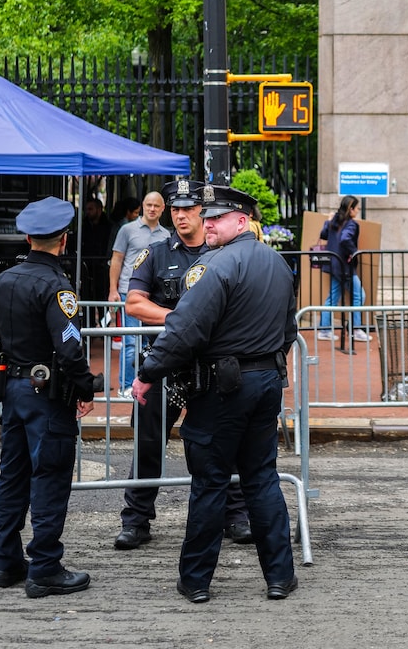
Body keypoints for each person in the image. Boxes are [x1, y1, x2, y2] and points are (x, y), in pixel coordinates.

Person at [133, 184, 299, 604]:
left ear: (242, 221)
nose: (208, 224)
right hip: (265, 383)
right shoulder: (278, 264)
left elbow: (184, 330)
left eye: (217, 218)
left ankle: (196, 581)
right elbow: (288, 332)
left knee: (209, 483)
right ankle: (279, 576)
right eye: (207, 218)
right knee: (262, 478)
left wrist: (148, 373)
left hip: (223, 387)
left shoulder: (215, 265)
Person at [115, 179, 251, 551]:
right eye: (176, 209)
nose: (181, 216)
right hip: (165, 365)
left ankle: (235, 515)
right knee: (147, 445)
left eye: (189, 209)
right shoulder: (155, 254)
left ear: (202, 213)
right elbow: (135, 304)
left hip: (210, 368)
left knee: (224, 443)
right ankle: (136, 520)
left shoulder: (221, 252)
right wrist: (179, 318)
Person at [0, 196, 101, 599]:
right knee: (50, 477)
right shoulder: (57, 287)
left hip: (13, 391)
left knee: (13, 475)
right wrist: (86, 387)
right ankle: (46, 568)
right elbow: (69, 349)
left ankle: (7, 561)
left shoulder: (4, 280)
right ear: (64, 240)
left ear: (30, 236)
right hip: (47, 395)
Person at [109, 191, 169, 395]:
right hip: (130, 292)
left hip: (155, 296)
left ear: (162, 209)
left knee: (151, 342)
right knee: (131, 342)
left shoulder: (166, 235)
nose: (152, 209)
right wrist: (113, 289)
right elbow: (117, 259)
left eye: (156, 206)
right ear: (143, 206)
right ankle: (126, 386)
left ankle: (146, 385)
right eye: (148, 205)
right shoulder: (127, 230)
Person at [316, 195, 369, 350]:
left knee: (332, 297)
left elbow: (324, 234)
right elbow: (345, 239)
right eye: (357, 208)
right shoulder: (351, 224)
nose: (358, 211)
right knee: (359, 295)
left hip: (333, 264)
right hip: (344, 267)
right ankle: (355, 329)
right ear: (350, 209)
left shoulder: (335, 220)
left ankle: (325, 330)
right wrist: (355, 252)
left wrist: (328, 220)